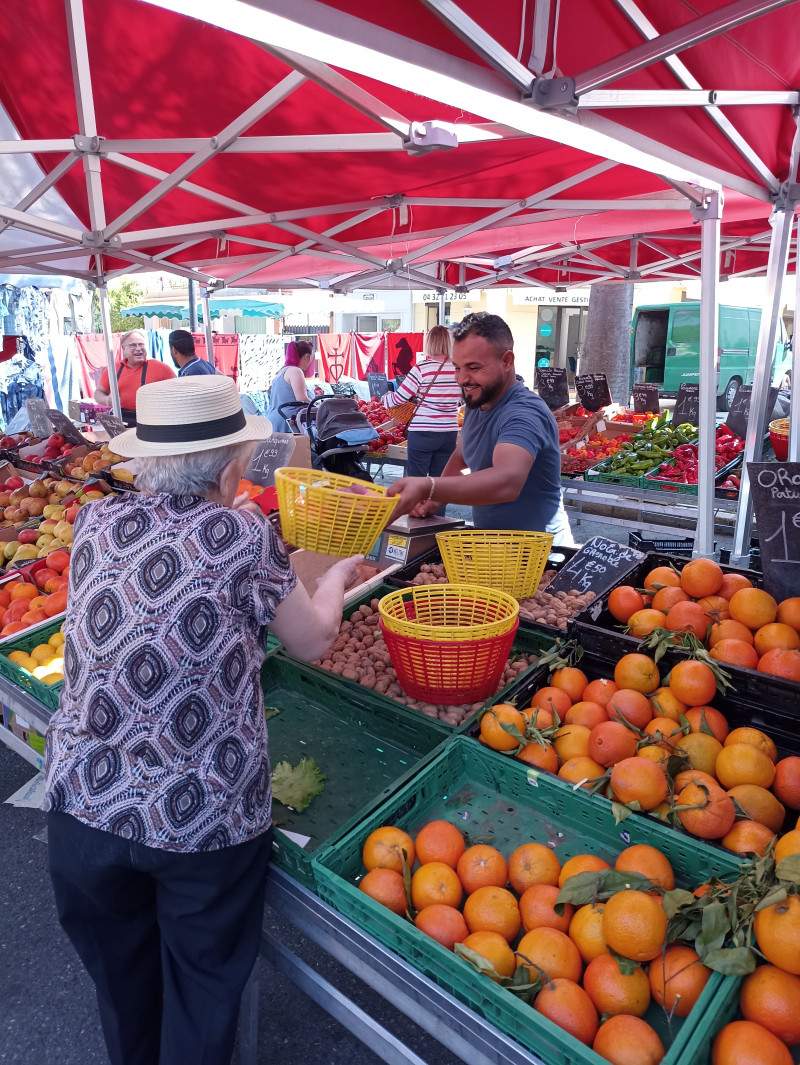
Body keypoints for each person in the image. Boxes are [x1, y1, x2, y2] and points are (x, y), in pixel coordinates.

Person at [44, 374, 361, 1065]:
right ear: (230, 464)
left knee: (125, 993)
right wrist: (336, 578)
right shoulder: (242, 532)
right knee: (200, 997)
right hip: (202, 823)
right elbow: (310, 640)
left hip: (84, 810)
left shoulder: (93, 521)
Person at [387, 312, 574, 546]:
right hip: (493, 545)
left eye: (473, 367)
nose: (461, 379)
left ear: (506, 361)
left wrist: (429, 487)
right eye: (457, 367)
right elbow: (461, 456)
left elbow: (507, 481)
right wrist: (434, 500)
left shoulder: (524, 412)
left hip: (541, 552)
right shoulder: (478, 402)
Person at [383, 325, 460, 489]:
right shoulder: (458, 368)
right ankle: (437, 514)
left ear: (429, 343)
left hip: (423, 433)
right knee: (438, 486)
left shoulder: (422, 368)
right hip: (449, 433)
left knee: (416, 486)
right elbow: (463, 399)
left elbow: (399, 398)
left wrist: (386, 399)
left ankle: (416, 514)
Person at [94, 329, 175, 423]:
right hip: (122, 420)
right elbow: (98, 392)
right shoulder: (112, 369)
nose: (138, 348)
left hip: (154, 421)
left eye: (141, 344)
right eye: (133, 345)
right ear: (123, 349)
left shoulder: (162, 369)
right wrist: (106, 400)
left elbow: (178, 393)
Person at [265, 341, 313, 432]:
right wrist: (320, 406)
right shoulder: (296, 371)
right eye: (311, 358)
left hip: (273, 420)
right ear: (307, 356)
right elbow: (302, 400)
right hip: (287, 422)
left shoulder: (281, 372)